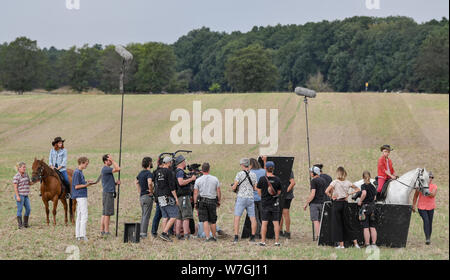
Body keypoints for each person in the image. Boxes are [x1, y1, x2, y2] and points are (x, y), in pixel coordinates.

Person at [325, 166, 360, 249]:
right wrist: (349, 194)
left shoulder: (334, 182)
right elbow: (358, 189)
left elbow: (326, 191)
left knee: (338, 225)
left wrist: (331, 196)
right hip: (345, 203)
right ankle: (356, 244)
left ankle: (341, 245)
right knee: (348, 224)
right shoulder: (348, 182)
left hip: (337, 204)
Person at [231, 158, 258, 243]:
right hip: (250, 198)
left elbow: (234, 187)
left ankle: (236, 237)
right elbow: (255, 188)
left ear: (242, 165)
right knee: (253, 218)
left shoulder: (239, 174)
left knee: (237, 217)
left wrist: (233, 187)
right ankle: (253, 237)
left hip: (241, 197)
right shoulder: (253, 174)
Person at [193, 162, 221, 242]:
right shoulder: (215, 179)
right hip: (212, 201)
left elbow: (195, 193)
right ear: (209, 169)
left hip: (202, 201)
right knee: (213, 220)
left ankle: (208, 237)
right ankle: (214, 237)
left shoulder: (198, 180)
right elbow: (218, 191)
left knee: (205, 220)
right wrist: (218, 200)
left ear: (202, 170)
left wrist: (195, 203)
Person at [256, 161, 282, 246]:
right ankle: (277, 241)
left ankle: (263, 241)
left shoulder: (262, 179)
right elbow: (279, 192)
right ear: (273, 169)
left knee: (264, 223)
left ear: (265, 168)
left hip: (265, 203)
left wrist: (263, 197)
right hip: (275, 204)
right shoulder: (277, 179)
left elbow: (258, 190)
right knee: (276, 223)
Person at [155, 156, 179, 242]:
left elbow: (156, 185)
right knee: (174, 215)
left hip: (160, 196)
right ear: (169, 163)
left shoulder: (158, 172)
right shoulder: (169, 172)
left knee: (165, 216)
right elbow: (172, 186)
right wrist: (176, 198)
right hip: (167, 196)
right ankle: (164, 233)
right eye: (171, 162)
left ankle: (164, 234)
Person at [174, 155, 196, 240]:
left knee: (179, 217)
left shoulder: (176, 171)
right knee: (186, 217)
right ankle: (186, 235)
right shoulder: (180, 172)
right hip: (183, 197)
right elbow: (181, 182)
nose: (185, 163)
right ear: (182, 162)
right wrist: (191, 179)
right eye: (184, 161)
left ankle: (178, 235)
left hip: (179, 197)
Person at [72, 157, 94, 241]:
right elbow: (76, 186)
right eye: (86, 164)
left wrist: (86, 181)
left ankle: (78, 235)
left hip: (80, 195)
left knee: (80, 215)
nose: (86, 166)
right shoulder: (77, 172)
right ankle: (83, 235)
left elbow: (79, 183)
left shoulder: (79, 172)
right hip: (80, 196)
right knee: (84, 215)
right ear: (81, 163)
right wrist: (86, 185)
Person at [412, 171, 437, 245]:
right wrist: (413, 205)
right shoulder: (420, 186)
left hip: (431, 207)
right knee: (426, 221)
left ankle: (429, 236)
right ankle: (427, 238)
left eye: (432, 177)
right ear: (426, 178)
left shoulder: (434, 186)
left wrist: (426, 191)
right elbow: (415, 196)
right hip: (421, 207)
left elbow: (433, 195)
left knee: (430, 222)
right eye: (429, 177)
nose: (430, 179)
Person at [303, 166, 327, 241]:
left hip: (315, 203)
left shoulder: (313, 181)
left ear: (314, 173)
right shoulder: (323, 180)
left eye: (311, 172)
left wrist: (306, 203)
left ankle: (319, 237)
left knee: (315, 220)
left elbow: (313, 193)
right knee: (321, 220)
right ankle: (323, 235)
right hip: (322, 202)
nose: (310, 173)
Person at [100, 154, 121, 236]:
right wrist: (113, 161)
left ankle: (102, 230)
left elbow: (107, 182)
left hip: (107, 192)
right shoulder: (106, 168)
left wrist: (115, 183)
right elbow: (118, 169)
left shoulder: (106, 169)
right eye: (109, 160)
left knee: (104, 212)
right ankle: (106, 231)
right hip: (108, 193)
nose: (111, 161)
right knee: (107, 213)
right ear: (105, 161)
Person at [357, 171, 378, 248]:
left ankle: (367, 244)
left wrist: (360, 201)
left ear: (363, 177)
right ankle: (374, 243)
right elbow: (375, 197)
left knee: (366, 227)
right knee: (372, 227)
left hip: (365, 208)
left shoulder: (363, 186)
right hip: (373, 208)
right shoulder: (373, 186)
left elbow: (364, 193)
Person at [135, 157, 154, 239]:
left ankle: (141, 232)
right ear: (149, 163)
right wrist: (151, 191)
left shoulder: (140, 173)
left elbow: (136, 182)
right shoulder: (149, 173)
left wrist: (140, 191)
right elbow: (150, 183)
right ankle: (143, 234)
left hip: (142, 196)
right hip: (147, 196)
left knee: (143, 214)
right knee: (146, 215)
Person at [249, 158, 266, 239]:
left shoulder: (250, 172)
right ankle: (263, 233)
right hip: (262, 197)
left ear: (251, 165)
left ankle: (257, 233)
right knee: (263, 217)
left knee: (255, 217)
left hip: (252, 198)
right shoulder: (263, 171)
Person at [13, 162, 32, 229]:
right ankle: (20, 225)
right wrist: (17, 196)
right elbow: (15, 188)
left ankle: (25, 224)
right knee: (20, 209)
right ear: (19, 168)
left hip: (26, 195)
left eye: (25, 167)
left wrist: (36, 180)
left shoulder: (26, 175)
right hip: (20, 195)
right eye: (23, 167)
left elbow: (29, 183)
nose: (25, 168)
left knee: (28, 209)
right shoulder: (16, 176)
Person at [280, 170, 296, 239]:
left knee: (285, 213)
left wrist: (285, 192)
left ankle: (287, 232)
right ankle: (280, 231)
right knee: (280, 213)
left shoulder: (288, 170)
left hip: (286, 196)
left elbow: (293, 183)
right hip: (284, 195)